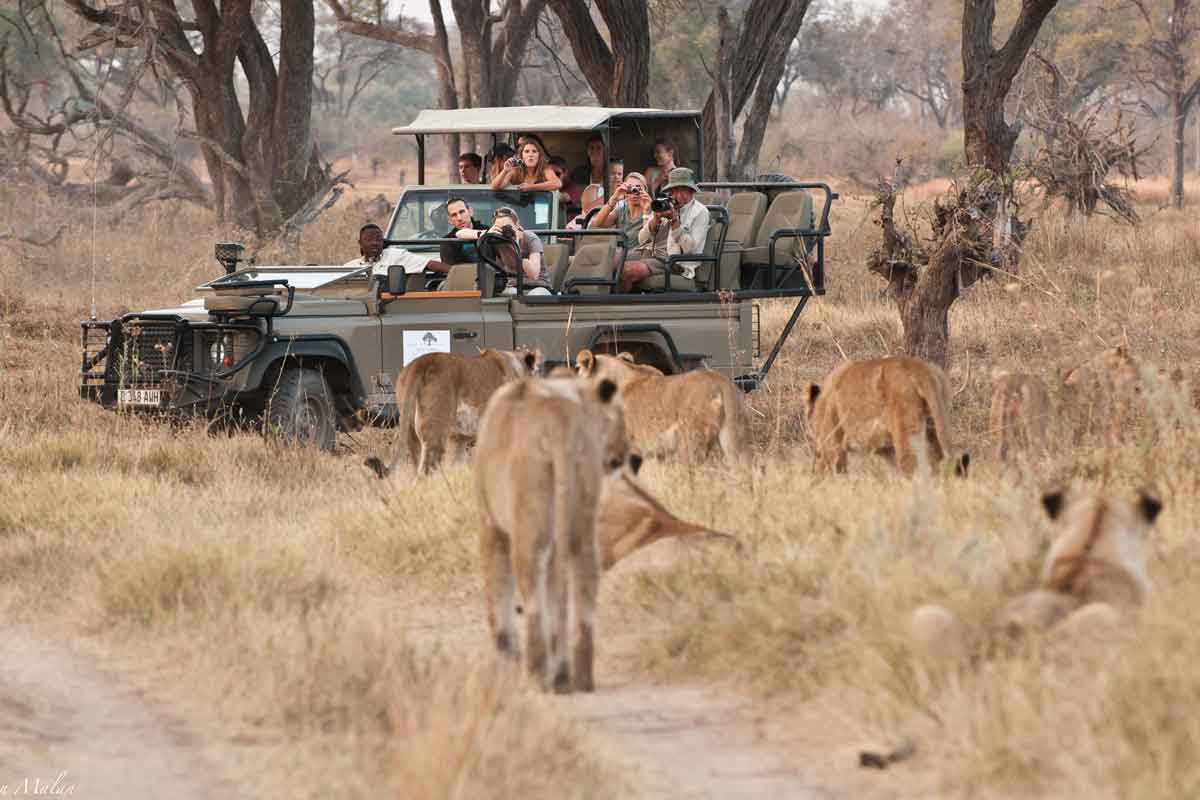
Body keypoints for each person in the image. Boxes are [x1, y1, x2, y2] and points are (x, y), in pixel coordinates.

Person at [628, 167, 710, 291]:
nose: (677, 195)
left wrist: (674, 221)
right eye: (673, 190)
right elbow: (642, 239)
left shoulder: (700, 212)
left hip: (673, 261)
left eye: (682, 190)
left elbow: (690, 250)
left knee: (627, 271)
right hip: (649, 252)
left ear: (691, 191)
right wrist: (655, 219)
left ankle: (621, 306)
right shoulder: (666, 204)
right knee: (612, 260)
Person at [344, 223, 449, 279]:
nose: (374, 243)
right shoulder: (351, 267)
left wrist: (458, 272)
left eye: (378, 239)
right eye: (369, 240)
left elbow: (429, 264)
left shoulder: (395, 256)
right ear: (360, 243)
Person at [485, 208, 552, 295]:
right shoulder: (498, 241)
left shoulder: (530, 238)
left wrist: (515, 246)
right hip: (513, 287)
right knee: (507, 295)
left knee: (534, 295)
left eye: (508, 227)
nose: (505, 232)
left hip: (538, 286)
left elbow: (534, 275)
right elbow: (462, 233)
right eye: (500, 228)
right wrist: (488, 235)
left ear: (517, 224)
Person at [590, 170, 651, 248]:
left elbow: (646, 241)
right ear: (625, 190)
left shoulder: (651, 209)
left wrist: (646, 213)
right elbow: (597, 223)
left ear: (645, 190)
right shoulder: (621, 208)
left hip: (639, 255)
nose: (634, 192)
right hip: (621, 255)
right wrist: (614, 198)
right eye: (630, 188)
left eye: (638, 188)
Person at [490, 138, 561, 192]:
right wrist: (505, 171)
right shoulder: (515, 169)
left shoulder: (545, 169)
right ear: (521, 156)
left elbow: (557, 184)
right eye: (527, 151)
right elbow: (494, 187)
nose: (530, 155)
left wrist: (531, 187)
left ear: (539, 156)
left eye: (534, 151)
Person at [439, 197, 487, 265]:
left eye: (462, 212)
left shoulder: (487, 230)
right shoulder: (447, 241)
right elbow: (451, 270)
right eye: (454, 215)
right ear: (449, 220)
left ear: (470, 212)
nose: (459, 218)